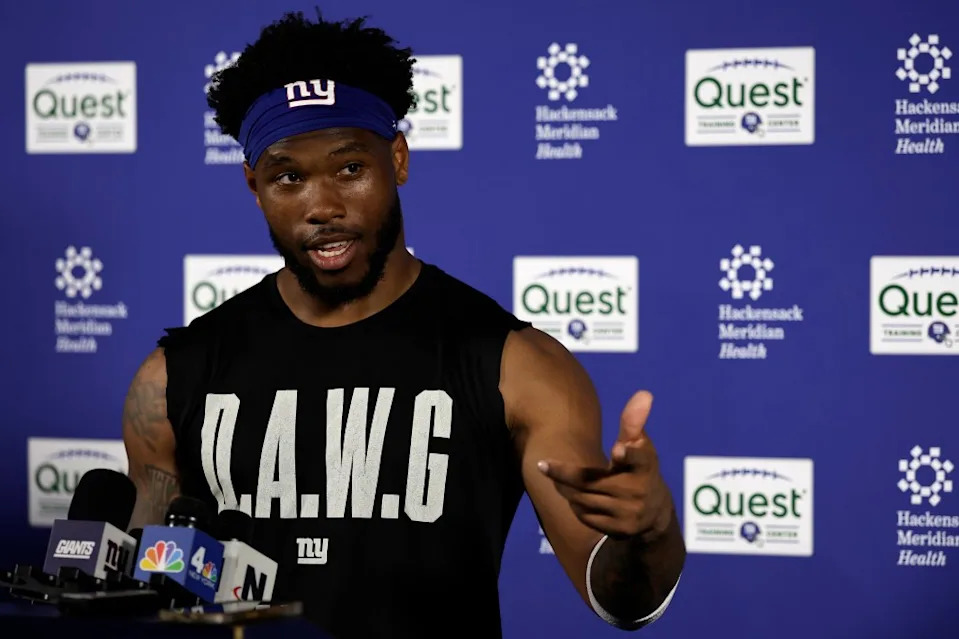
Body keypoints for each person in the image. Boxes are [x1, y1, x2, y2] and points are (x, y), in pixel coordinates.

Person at [121, 10, 684, 638]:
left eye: (350, 169)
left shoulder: (517, 366)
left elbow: (622, 596)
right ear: (255, 186)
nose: (322, 207)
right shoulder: (172, 378)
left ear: (398, 158)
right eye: (288, 178)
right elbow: (148, 595)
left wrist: (650, 533)